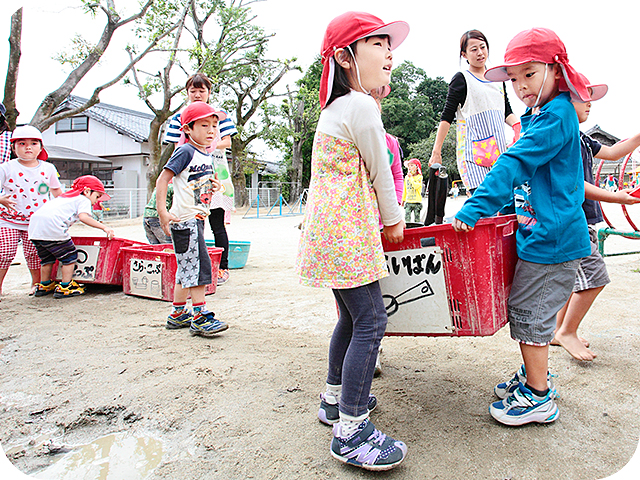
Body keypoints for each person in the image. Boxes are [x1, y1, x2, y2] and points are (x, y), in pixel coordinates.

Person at [452, 28, 592, 426]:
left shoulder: (556, 115)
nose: (520, 86)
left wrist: (473, 209)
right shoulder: (540, 115)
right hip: (539, 235)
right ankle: (536, 375)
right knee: (527, 311)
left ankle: (539, 396)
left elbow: (513, 163)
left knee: (531, 315)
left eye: (529, 74)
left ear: (555, 69)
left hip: (553, 241)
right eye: (513, 79)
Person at [296, 11, 409, 471]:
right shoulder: (362, 106)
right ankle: (351, 429)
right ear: (345, 57)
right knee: (372, 322)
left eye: (388, 44)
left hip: (329, 234)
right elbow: (382, 171)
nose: (389, 52)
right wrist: (394, 220)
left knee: (350, 316)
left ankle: (333, 397)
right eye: (377, 44)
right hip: (347, 234)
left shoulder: (334, 109)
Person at [553, 74, 640, 361]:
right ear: (564, 102)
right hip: (573, 220)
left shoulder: (582, 138)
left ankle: (558, 330)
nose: (589, 104)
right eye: (582, 98)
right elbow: (575, 184)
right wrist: (618, 196)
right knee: (596, 276)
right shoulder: (564, 139)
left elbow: (614, 152)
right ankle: (567, 331)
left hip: (583, 220)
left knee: (569, 280)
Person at [156, 101, 228, 337]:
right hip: (185, 220)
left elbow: (195, 184)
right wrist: (162, 212)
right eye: (204, 125)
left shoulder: (205, 154)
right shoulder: (185, 151)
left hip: (196, 218)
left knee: (186, 269)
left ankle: (178, 314)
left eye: (214, 126)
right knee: (199, 268)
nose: (211, 131)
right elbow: (162, 180)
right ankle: (200, 316)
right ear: (187, 129)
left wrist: (213, 186)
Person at [164, 72, 238, 285]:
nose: (197, 94)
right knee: (192, 223)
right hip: (187, 174)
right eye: (192, 91)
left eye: (201, 90)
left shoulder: (218, 115)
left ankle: (222, 267)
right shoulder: (178, 117)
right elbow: (173, 145)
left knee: (217, 223)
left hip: (215, 171)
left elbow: (227, 142)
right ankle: (193, 268)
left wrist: (206, 145)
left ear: (209, 93)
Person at [429, 30, 519, 194]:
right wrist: (436, 151)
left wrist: (518, 125)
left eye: (483, 47)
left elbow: (506, 111)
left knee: (501, 207)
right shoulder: (462, 79)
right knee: (482, 205)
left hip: (499, 154)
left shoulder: (498, 79)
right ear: (464, 54)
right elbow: (447, 116)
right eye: (474, 49)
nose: (480, 53)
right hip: (473, 157)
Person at [0, 125, 62, 298]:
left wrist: (66, 208)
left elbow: (57, 192)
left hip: (36, 221)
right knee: (4, 252)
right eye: (22, 143)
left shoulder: (48, 168)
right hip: (7, 219)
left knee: (34, 253)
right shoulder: (6, 168)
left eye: (33, 143)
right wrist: (1, 199)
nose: (28, 147)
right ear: (13, 147)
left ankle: (37, 284)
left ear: (41, 147)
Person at [28, 175, 114, 298]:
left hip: (35, 229)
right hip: (53, 228)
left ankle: (45, 284)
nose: (97, 201)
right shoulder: (83, 199)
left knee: (47, 259)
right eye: (97, 196)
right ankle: (65, 286)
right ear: (87, 191)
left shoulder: (62, 198)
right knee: (70, 256)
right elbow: (84, 217)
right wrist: (104, 227)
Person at [402, 158, 423, 222]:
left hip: (417, 201)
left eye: (412, 165)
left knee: (417, 218)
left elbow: (416, 186)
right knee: (407, 217)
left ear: (417, 167)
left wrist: (411, 178)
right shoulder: (406, 177)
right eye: (409, 166)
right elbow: (405, 189)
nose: (410, 167)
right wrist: (403, 200)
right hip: (408, 201)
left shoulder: (419, 177)